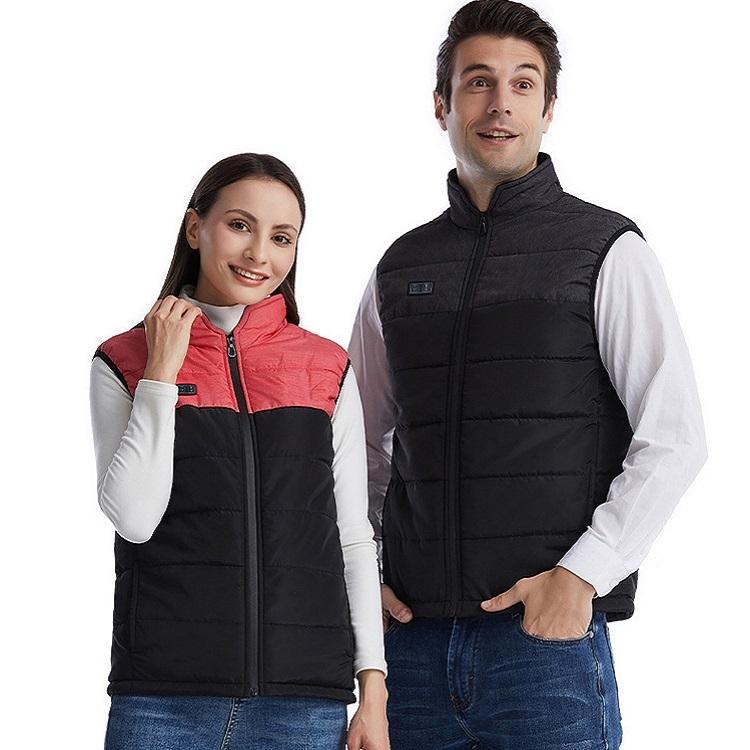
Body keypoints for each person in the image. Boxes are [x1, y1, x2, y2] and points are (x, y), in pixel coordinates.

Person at [347, 2, 708, 748]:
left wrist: (584, 575)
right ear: (442, 104)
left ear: (548, 108)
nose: (500, 103)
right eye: (478, 81)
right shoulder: (399, 269)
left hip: (543, 647)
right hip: (409, 649)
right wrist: (365, 575)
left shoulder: (605, 249)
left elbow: (675, 436)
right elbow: (358, 447)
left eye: (522, 83)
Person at [90, 153, 390, 750]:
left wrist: (373, 691)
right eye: (239, 225)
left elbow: (352, 537)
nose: (259, 254)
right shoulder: (123, 361)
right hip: (162, 701)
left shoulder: (325, 366)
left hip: (303, 703)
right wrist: (161, 372)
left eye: (281, 237)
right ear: (194, 227)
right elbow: (134, 517)